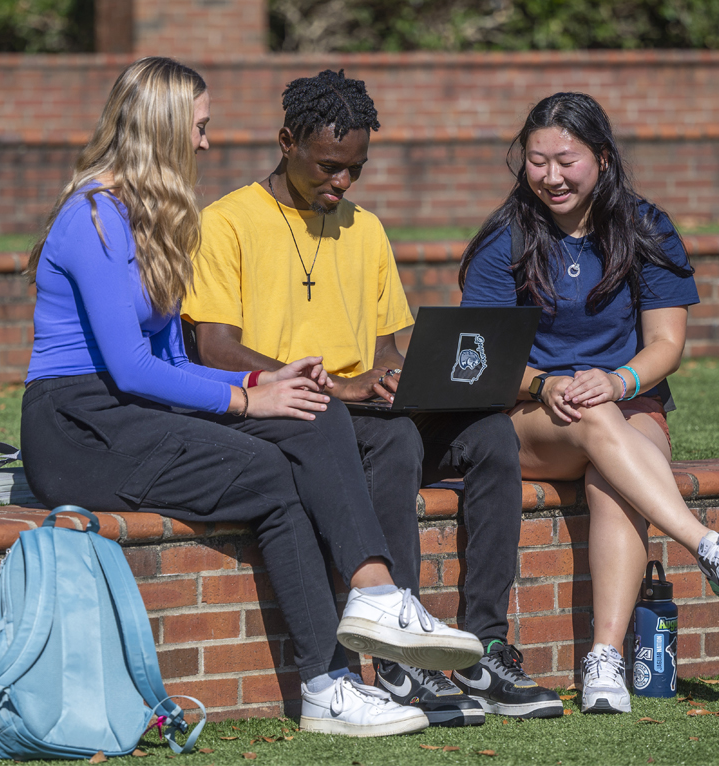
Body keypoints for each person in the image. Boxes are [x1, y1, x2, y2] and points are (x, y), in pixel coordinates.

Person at [18, 57, 482, 738]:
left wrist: (265, 384)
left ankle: (367, 613)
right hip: (77, 427)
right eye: (200, 127)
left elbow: (174, 358)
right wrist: (244, 401)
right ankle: (337, 666)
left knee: (308, 408)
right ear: (165, 128)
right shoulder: (94, 216)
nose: (208, 142)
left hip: (131, 413)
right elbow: (129, 365)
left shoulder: (155, 218)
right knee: (271, 465)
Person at [184, 70, 562, 725]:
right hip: (288, 415)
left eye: (356, 169)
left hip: (366, 407)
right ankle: (398, 659)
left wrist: (411, 377)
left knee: (493, 437)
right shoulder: (227, 224)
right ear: (286, 142)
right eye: (330, 167)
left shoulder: (366, 230)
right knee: (397, 438)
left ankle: (482, 648)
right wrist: (341, 384)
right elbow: (212, 347)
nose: (343, 182)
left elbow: (394, 344)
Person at [457, 92, 719, 714]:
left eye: (566, 161)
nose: (550, 176)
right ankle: (707, 545)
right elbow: (482, 355)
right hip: (529, 415)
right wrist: (544, 384)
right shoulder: (505, 240)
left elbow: (666, 344)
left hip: (627, 404)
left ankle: (604, 660)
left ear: (602, 158)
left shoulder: (644, 225)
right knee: (599, 420)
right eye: (536, 161)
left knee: (616, 470)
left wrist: (619, 381)